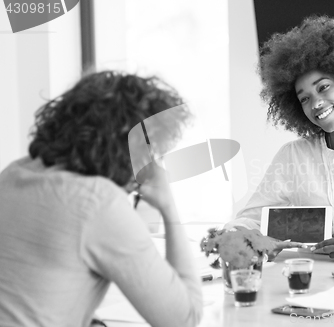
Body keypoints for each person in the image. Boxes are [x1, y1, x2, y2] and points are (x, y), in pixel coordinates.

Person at [0, 72, 203, 327]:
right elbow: (184, 319)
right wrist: (168, 207)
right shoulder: (99, 203)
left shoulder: (12, 173)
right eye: (152, 152)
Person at [227, 16, 334, 262]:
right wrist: (250, 239)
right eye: (304, 98)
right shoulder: (293, 156)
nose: (316, 103)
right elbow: (249, 220)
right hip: (311, 292)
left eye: (323, 87)